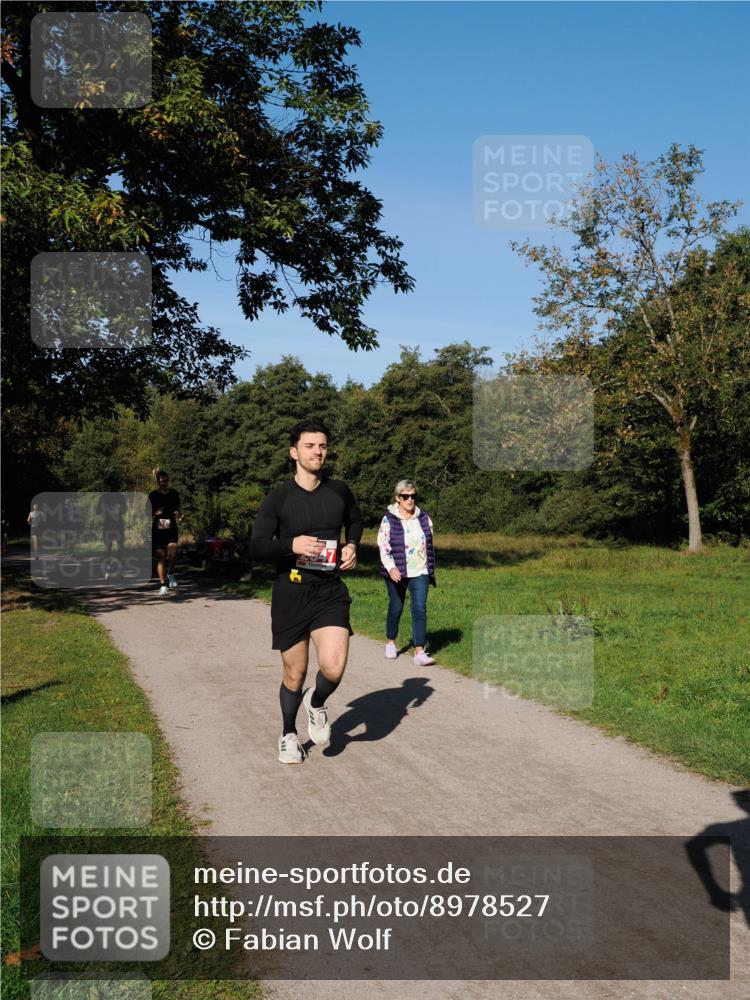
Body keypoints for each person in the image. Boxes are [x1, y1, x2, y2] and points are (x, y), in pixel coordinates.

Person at [249, 419, 363, 765]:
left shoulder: (339, 490)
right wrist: (291, 544)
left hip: (329, 591)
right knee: (294, 674)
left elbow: (355, 520)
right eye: (311, 446)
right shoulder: (279, 497)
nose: (318, 452)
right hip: (291, 593)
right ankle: (288, 734)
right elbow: (255, 546)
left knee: (333, 668)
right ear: (294, 452)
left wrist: (352, 546)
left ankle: (316, 703)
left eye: (323, 445)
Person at [377, 479, 437, 665]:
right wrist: (391, 567)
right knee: (396, 606)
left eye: (413, 496)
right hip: (397, 571)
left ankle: (419, 651)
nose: (410, 499)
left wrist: (428, 566)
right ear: (398, 498)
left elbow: (428, 543)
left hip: (420, 570)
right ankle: (390, 642)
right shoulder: (389, 519)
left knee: (419, 608)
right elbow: (383, 546)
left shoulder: (424, 517)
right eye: (405, 496)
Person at [147, 470, 182, 596]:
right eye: (162, 481)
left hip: (171, 526)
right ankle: (163, 585)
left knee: (172, 552)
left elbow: (178, 509)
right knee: (161, 557)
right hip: (158, 529)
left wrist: (178, 514)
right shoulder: (153, 496)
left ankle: (171, 573)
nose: (164, 483)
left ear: (168, 481)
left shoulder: (173, 493)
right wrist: (155, 513)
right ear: (158, 482)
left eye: (166, 481)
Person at [97, 488, 127, 580]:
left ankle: (118, 571)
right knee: (108, 549)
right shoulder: (103, 497)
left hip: (119, 526)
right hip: (108, 526)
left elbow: (125, 510)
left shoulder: (120, 497)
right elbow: (97, 511)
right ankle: (107, 570)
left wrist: (121, 509)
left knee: (120, 548)